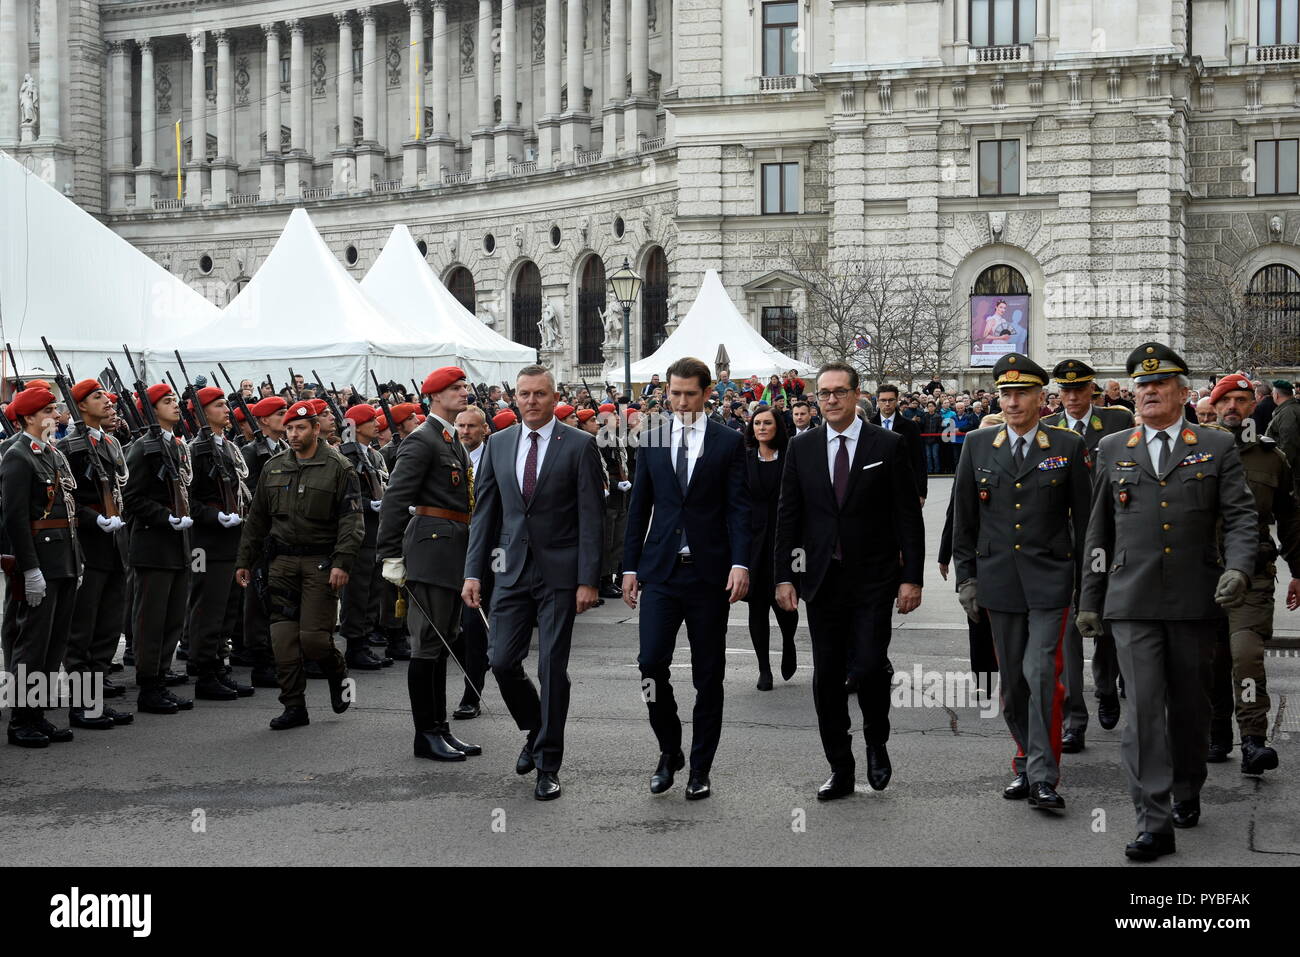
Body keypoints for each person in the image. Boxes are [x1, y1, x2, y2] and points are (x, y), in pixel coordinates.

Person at [1077, 343, 1257, 861]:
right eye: (1142, 385)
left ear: (1183, 392)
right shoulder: (1114, 447)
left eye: (1160, 385)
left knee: (1189, 709)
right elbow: (1098, 531)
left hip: (1194, 599)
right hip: (1130, 600)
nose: (1149, 392)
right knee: (1144, 714)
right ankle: (1152, 819)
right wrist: (1090, 597)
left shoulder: (1216, 445)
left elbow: (1242, 516)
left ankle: (1187, 785)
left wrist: (1239, 567)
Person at [775, 361, 924, 800]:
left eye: (840, 392)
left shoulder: (887, 444)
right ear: (816, 399)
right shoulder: (801, 448)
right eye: (824, 393)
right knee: (827, 677)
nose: (832, 400)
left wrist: (910, 578)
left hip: (874, 578)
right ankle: (840, 765)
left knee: (870, 666)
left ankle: (876, 740)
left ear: (858, 395)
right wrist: (784, 575)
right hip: (822, 580)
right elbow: (789, 515)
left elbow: (907, 518)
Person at [952, 353, 1091, 814]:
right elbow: (965, 520)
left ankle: (1043, 776)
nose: (1012, 402)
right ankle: (1024, 758)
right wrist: (966, 577)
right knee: (1012, 684)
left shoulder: (1066, 446)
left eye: (1022, 393)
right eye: (1005, 394)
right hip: (999, 581)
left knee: (1041, 675)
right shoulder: (977, 443)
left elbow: (1087, 521)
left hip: (1052, 577)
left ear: (1040, 398)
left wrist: (1089, 585)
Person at [464, 365, 604, 800]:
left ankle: (548, 762)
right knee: (502, 661)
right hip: (508, 571)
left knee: (551, 668)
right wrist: (473, 571)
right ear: (515, 398)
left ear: (553, 395)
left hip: (559, 575)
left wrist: (588, 580)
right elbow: (484, 513)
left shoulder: (579, 445)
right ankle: (535, 728)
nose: (530, 401)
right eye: (523, 394)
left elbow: (591, 518)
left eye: (539, 394)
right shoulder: (498, 444)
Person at [622, 357, 752, 800]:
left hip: (709, 575)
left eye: (689, 394)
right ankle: (668, 748)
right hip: (660, 572)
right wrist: (629, 566)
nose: (680, 402)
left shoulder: (729, 441)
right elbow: (638, 506)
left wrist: (741, 564)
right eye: (674, 393)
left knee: (708, 675)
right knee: (650, 666)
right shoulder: (652, 439)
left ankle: (700, 767)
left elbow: (739, 508)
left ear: (707, 393)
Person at [235, 400, 362, 730]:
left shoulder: (339, 467)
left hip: (321, 563)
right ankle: (294, 706)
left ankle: (337, 673)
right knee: (283, 641)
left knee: (315, 640)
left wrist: (342, 562)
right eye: (289, 427)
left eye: (300, 427)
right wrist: (245, 560)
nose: (293, 433)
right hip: (282, 563)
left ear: (316, 429)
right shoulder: (274, 467)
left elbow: (352, 520)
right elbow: (258, 519)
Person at [378, 369, 481, 760]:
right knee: (427, 646)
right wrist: (389, 554)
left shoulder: (449, 439)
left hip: (451, 550)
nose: (463, 393)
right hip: (430, 551)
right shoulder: (421, 441)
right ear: (434, 396)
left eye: (463, 387)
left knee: (440, 645)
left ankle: (440, 728)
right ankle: (426, 733)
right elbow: (395, 499)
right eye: (455, 389)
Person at [1206, 375, 1299, 775]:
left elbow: (1290, 518)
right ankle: (1216, 734)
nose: (1233, 408)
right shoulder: (1197, 452)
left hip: (1253, 576)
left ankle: (1253, 740)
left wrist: (1298, 570)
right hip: (1202, 574)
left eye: (1242, 400)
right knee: (1211, 661)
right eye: (1225, 400)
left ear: (1254, 406)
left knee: (1246, 658)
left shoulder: (1271, 458)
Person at [1040, 359, 1134, 751]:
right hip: (1063, 542)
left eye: (1081, 390)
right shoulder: (1046, 432)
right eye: (1066, 391)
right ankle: (1074, 717)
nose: (1074, 397)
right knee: (1067, 635)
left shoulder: (1116, 424)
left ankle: (1108, 687)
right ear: (1057, 394)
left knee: (1107, 623)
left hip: (1109, 539)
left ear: (1093, 390)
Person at [1, 386, 82, 746]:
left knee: (53, 643)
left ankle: (38, 712)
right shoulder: (19, 455)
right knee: (32, 643)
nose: (56, 414)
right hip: (40, 563)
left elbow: (67, 511)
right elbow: (15, 519)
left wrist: (76, 563)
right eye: (49, 410)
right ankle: (21, 719)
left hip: (62, 560)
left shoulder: (50, 452)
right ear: (29, 417)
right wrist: (29, 569)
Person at [61, 379, 133, 730]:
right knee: (83, 631)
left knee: (108, 627)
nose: (106, 401)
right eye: (97, 397)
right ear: (80, 406)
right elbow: (68, 500)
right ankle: (82, 705)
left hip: (115, 546)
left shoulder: (111, 443)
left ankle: (97, 697)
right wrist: (94, 519)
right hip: (90, 548)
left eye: (105, 396)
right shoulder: (70, 447)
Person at [123, 383, 196, 716]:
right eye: (167, 402)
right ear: (151, 410)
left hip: (178, 545)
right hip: (153, 544)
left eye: (175, 400)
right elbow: (132, 497)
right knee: (150, 619)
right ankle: (148, 685)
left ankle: (162, 677)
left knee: (172, 618)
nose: (176, 405)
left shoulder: (178, 447)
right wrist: (165, 517)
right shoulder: (142, 449)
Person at [183, 386, 254, 701]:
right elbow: (188, 501)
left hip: (230, 541)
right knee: (207, 609)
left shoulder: (227, 446)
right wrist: (215, 517)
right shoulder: (196, 450)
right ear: (202, 411)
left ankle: (219, 667)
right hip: (205, 544)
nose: (227, 410)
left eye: (226, 404)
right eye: (220, 405)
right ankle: (205, 672)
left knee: (227, 609)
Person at [743, 405, 798, 690]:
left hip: (784, 540)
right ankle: (764, 668)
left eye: (767, 423)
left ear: (777, 427)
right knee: (757, 606)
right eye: (757, 423)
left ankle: (789, 643)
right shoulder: (745, 458)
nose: (762, 428)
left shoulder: (790, 456)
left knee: (785, 605)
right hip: (754, 542)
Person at [235, 396, 288, 687]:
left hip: (282, 534)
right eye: (281, 414)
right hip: (262, 533)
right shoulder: (251, 452)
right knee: (257, 600)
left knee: (277, 598)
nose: (287, 417)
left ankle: (276, 656)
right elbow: (251, 493)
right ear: (264, 420)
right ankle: (261, 662)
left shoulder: (282, 448)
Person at [337, 404, 391, 672]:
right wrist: (368, 504)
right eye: (370, 420)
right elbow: (344, 493)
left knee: (373, 589)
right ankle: (355, 645)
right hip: (358, 531)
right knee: (357, 591)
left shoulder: (374, 455)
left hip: (376, 532)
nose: (377, 423)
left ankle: (366, 639)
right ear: (355, 426)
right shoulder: (345, 455)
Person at [450, 404, 492, 718]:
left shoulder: (497, 458)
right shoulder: (446, 459)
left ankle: (471, 693)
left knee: (475, 626)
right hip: (451, 551)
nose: (465, 432)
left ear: (484, 429)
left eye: (471, 427)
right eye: (461, 426)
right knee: (456, 629)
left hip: (488, 556)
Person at [871, 383, 927, 503]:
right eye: (883, 400)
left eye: (891, 400)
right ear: (877, 401)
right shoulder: (868, 426)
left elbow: (919, 459)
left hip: (904, 486)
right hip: (875, 488)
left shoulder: (910, 426)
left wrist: (921, 492)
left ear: (897, 400)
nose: (887, 404)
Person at [1265, 379, 1300, 496]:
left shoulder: (1288, 413)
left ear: (1276, 395)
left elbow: (1289, 442)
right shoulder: (1290, 409)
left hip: (1293, 469)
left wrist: (1282, 467)